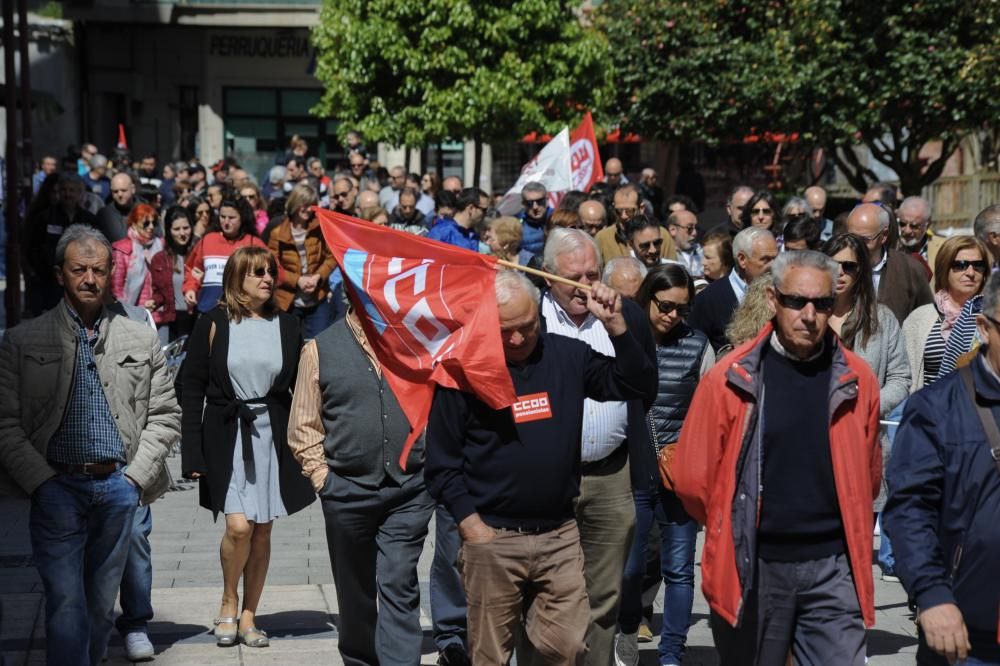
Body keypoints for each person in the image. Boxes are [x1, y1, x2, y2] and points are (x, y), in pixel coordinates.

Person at [425, 269, 656, 665]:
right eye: (505, 330)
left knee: (567, 646)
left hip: (559, 536)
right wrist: (471, 526)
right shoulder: (462, 370)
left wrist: (618, 327)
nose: (516, 339)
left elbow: (636, 384)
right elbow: (441, 465)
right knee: (491, 654)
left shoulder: (567, 355)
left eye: (526, 327)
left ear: (541, 318)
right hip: (492, 537)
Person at [674, 249, 881, 665]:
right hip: (755, 565)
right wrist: (729, 526)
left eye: (822, 304)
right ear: (773, 300)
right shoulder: (729, 378)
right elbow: (693, 480)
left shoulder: (858, 379)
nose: (810, 314)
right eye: (796, 302)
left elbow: (869, 473)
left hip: (832, 567)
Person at [0, 224, 180, 665]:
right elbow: (5, 423)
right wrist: (40, 482)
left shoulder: (140, 336)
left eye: (98, 270)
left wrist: (136, 479)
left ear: (110, 272)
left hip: (119, 487)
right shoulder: (23, 340)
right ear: (60, 273)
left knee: (100, 606)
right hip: (57, 485)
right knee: (65, 600)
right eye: (78, 269)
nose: (89, 279)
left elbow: (165, 414)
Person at [180, 247, 315, 648]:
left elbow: (299, 389)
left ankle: (249, 616)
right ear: (237, 278)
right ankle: (228, 600)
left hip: (271, 436)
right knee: (238, 526)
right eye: (257, 273)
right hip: (226, 434)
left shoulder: (288, 325)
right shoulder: (213, 322)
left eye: (270, 272)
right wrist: (192, 452)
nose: (267, 279)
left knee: (263, 530)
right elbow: (190, 388)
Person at [287, 307, 434, 666]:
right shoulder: (320, 348)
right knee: (355, 594)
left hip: (409, 490)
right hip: (347, 490)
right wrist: (324, 480)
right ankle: (360, 659)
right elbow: (303, 425)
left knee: (400, 582)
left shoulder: (418, 341)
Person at [538, 228, 658, 666]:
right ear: (547, 275)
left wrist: (619, 328)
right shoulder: (529, 317)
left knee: (604, 596)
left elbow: (647, 385)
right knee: (546, 593)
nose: (586, 285)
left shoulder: (625, 316)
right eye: (575, 276)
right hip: (548, 478)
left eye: (594, 274)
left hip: (611, 476)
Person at [883, 269, 1000, 666]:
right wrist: (932, 595)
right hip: (968, 630)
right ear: (984, 328)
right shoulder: (937, 407)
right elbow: (910, 511)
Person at [615, 264, 714, 666]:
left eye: (683, 309)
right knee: (629, 566)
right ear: (646, 298)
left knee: (679, 569)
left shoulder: (698, 344)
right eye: (666, 306)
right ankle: (625, 630)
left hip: (680, 473)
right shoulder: (623, 337)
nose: (674, 315)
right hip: (634, 471)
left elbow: (710, 409)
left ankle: (672, 651)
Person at [823, 233, 912, 580]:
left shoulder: (881, 319)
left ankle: (847, 619)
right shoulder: (806, 314)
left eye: (850, 266)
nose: (841, 273)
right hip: (811, 446)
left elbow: (901, 379)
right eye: (834, 264)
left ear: (862, 272)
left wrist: (867, 405)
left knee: (853, 548)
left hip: (863, 447)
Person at [902, 235, 991, 389]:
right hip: (929, 407)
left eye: (978, 266)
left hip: (980, 408)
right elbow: (903, 376)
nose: (971, 272)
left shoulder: (993, 317)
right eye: (961, 265)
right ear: (944, 268)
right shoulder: (919, 318)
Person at [267, 183, 338, 339]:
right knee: (290, 346)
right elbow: (272, 267)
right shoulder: (277, 233)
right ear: (295, 204)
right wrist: (297, 280)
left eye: (311, 205)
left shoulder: (319, 228)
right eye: (304, 205)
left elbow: (332, 256)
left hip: (317, 298)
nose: (308, 209)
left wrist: (318, 277)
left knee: (318, 346)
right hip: (288, 301)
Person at [688, 227, 777, 351]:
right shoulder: (708, 299)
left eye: (775, 258)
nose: (774, 265)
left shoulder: (782, 294)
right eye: (765, 259)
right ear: (742, 259)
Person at [847, 203, 933, 324]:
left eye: (865, 240)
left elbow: (926, 319)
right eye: (852, 238)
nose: (857, 245)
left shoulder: (910, 269)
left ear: (884, 236)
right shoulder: (837, 265)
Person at [183, 198, 272, 315]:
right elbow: (191, 269)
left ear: (242, 218)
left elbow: (276, 272)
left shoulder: (253, 243)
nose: (226, 222)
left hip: (241, 313)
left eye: (231, 218)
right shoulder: (208, 239)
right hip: (207, 310)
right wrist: (190, 288)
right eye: (222, 216)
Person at [110, 203, 168, 327]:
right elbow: (116, 288)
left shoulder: (160, 246)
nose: (151, 227)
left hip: (159, 314)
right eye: (146, 223)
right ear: (134, 224)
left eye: (154, 223)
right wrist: (128, 311)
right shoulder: (122, 249)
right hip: (132, 315)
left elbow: (167, 281)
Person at [596, 184, 676, 264]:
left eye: (629, 211)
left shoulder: (662, 235)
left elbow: (673, 271)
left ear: (641, 208)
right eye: (619, 211)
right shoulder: (603, 238)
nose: (623, 216)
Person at [152, 206, 195, 343]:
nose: (182, 233)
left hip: (195, 318)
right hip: (170, 320)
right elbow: (157, 292)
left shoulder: (198, 254)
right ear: (169, 231)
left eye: (186, 228)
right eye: (176, 229)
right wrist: (153, 301)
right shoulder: (160, 258)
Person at [427, 187, 488, 252]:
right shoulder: (441, 231)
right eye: (484, 210)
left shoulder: (473, 235)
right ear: (471, 208)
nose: (485, 214)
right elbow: (428, 259)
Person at [897, 196, 942, 277]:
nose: (907, 231)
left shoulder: (942, 248)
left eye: (914, 226)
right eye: (902, 224)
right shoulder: (891, 246)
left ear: (927, 225)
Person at [666, 209, 703, 278]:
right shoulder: (665, 255)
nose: (694, 233)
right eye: (689, 228)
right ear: (672, 229)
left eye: (697, 228)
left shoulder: (702, 251)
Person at [518, 181, 551, 256]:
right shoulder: (517, 224)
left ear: (547, 200)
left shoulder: (558, 220)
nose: (535, 207)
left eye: (540, 201)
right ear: (523, 204)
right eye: (530, 203)